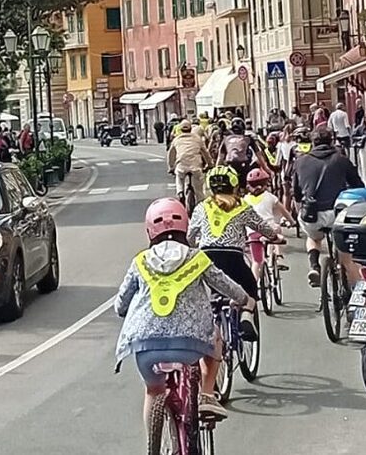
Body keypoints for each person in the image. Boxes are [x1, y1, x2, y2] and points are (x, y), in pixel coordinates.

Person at [115, 198, 253, 423]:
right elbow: (226, 285)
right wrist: (244, 299)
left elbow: (120, 305)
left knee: (153, 391)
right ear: (185, 226)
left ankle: (154, 444)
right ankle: (207, 395)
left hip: (146, 349)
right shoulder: (197, 258)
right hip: (191, 346)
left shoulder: (139, 261)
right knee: (216, 338)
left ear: (150, 230)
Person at [188, 165, 278, 340]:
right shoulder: (241, 206)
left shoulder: (202, 207)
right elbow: (262, 227)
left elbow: (191, 235)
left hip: (206, 255)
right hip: (232, 256)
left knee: (214, 289)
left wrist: (193, 246)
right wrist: (275, 237)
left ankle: (213, 322)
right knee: (250, 287)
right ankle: (245, 315)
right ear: (234, 184)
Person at [293, 127, 364, 287]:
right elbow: (358, 186)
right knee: (347, 257)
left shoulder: (300, 162)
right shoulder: (341, 159)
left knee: (313, 238)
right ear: (332, 141)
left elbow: (296, 193)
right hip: (338, 213)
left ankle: (314, 266)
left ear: (313, 142)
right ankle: (354, 298)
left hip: (312, 215)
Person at [244, 168, 294, 280]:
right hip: (269, 229)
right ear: (266, 184)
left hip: (252, 233)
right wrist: (291, 221)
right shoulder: (270, 197)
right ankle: (278, 254)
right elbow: (284, 211)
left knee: (256, 262)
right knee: (277, 228)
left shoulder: (245, 199)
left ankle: (253, 288)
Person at [216, 117, 271, 190]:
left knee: (232, 188)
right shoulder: (248, 138)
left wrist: (217, 170)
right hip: (244, 165)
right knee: (246, 187)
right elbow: (259, 155)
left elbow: (220, 157)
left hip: (230, 166)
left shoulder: (226, 139)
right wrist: (266, 169)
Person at [168, 120, 213, 204]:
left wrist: (171, 167)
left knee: (179, 178)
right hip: (196, 165)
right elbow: (205, 153)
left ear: (180, 129)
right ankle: (200, 203)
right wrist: (210, 164)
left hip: (181, 165)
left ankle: (180, 192)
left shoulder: (176, 139)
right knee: (199, 188)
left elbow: (171, 155)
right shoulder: (197, 139)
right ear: (191, 129)